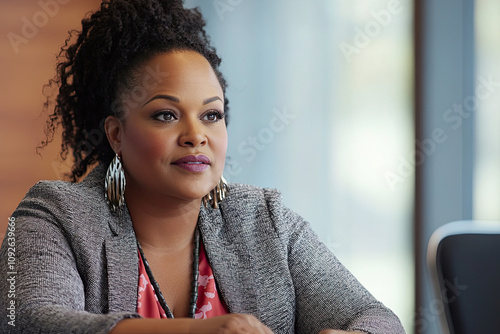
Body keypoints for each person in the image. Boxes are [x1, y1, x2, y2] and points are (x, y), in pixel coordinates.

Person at [0, 0, 406, 333]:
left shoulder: (265, 222)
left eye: (211, 115)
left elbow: (378, 319)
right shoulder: (53, 215)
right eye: (165, 115)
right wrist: (203, 331)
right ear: (116, 134)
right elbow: (29, 321)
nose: (197, 135)